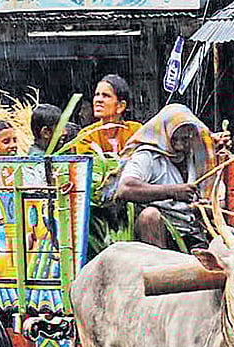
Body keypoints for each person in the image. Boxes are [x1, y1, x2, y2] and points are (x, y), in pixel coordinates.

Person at [116, 103, 225, 251]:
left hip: (193, 232)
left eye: (186, 139)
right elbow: (125, 188)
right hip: (162, 232)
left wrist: (204, 209)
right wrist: (173, 192)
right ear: (165, 132)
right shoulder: (147, 156)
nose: (181, 145)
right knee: (149, 216)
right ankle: (159, 267)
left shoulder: (198, 155)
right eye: (176, 138)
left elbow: (217, 202)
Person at [75, 74, 141, 156]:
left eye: (106, 95)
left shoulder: (136, 131)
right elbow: (91, 166)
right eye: (97, 94)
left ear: (120, 106)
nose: (98, 100)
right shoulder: (86, 135)